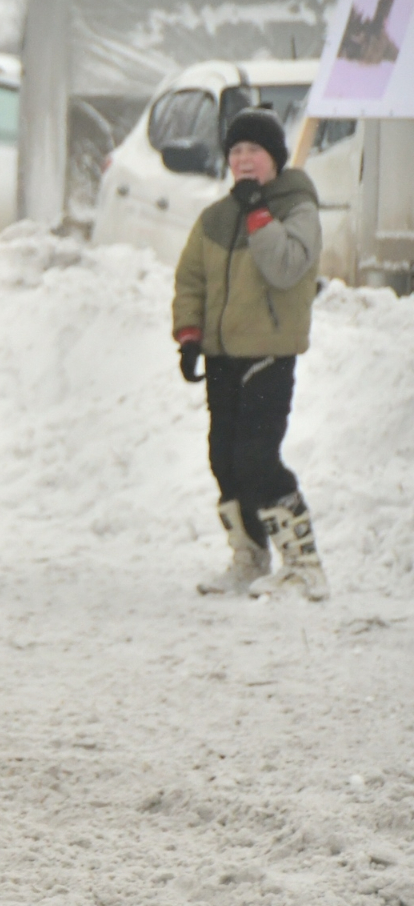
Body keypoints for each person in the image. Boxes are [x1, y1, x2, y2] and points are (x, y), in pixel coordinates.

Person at [173, 107, 329, 600]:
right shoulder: (216, 217)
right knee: (224, 459)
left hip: (268, 353)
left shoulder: (297, 209)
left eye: (254, 151)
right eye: (235, 151)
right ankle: (248, 556)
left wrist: (259, 212)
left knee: (258, 458)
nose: (243, 160)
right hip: (222, 356)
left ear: (275, 159)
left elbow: (285, 267)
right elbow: (191, 277)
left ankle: (305, 567)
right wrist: (190, 334)